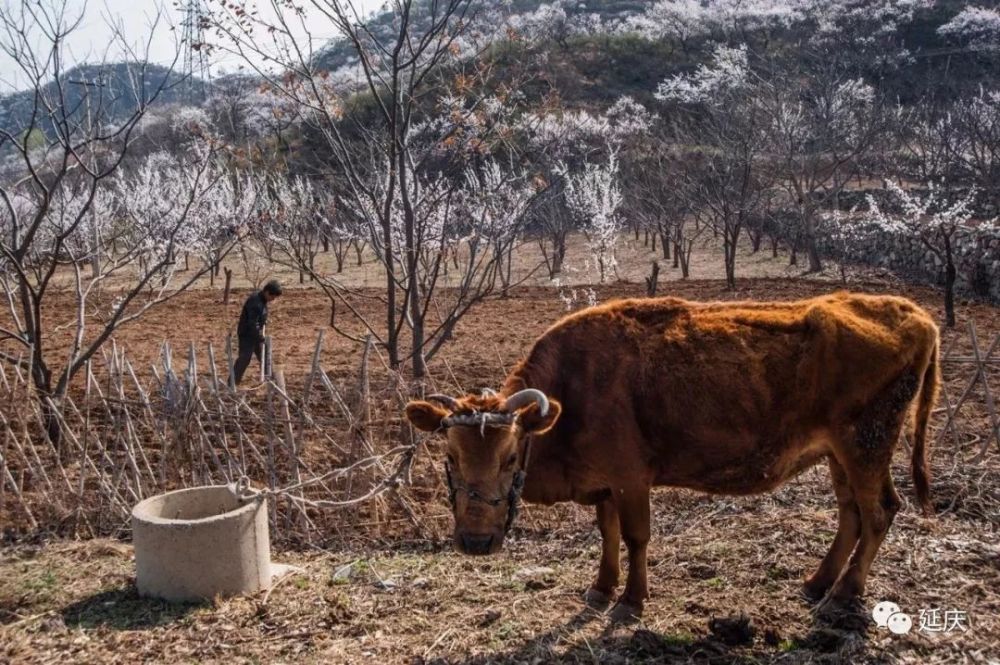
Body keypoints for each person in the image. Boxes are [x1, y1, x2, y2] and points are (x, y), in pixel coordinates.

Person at [233, 280, 282, 385]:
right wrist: (259, 336)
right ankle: (233, 382)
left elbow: (259, 317)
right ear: (267, 292)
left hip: (256, 333)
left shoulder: (262, 300)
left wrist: (263, 322)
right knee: (245, 358)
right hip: (247, 334)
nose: (273, 300)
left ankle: (271, 380)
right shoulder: (255, 302)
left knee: (265, 355)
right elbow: (252, 322)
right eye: (272, 297)